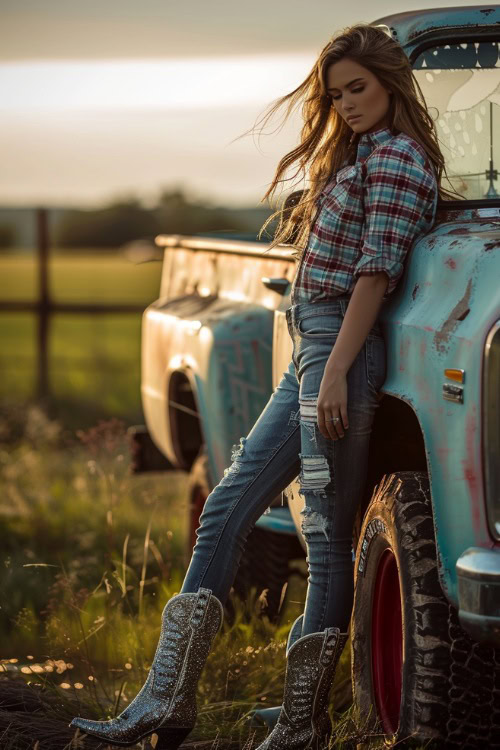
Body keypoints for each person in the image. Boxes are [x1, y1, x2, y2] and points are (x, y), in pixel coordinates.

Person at [70, 21, 455, 750]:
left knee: (325, 538)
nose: (346, 103)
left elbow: (376, 274)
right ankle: (164, 699)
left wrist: (337, 371)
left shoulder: (399, 159)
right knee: (224, 506)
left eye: (359, 88)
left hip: (339, 352)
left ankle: (302, 723)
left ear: (389, 83)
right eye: (336, 93)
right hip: (311, 350)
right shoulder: (361, 154)